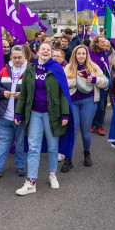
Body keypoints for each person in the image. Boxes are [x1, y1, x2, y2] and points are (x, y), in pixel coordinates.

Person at [14, 43, 70, 195]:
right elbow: (24, 93)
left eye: (48, 49)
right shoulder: (30, 69)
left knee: (53, 147)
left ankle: (52, 174)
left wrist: (65, 114)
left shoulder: (57, 69)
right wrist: (18, 113)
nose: (45, 51)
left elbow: (63, 93)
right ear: (37, 52)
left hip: (53, 114)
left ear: (51, 53)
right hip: (34, 114)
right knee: (33, 148)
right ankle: (31, 182)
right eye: (42, 49)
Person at [0, 45, 28, 178]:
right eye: (14, 57)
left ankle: (20, 166)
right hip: (4, 115)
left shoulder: (30, 70)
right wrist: (3, 92)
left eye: (19, 57)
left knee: (20, 143)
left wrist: (23, 94)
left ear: (25, 56)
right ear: (11, 57)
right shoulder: (4, 70)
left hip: (21, 115)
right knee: (2, 141)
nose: (17, 60)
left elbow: (35, 89)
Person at [64, 45, 108, 169]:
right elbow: (63, 83)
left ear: (87, 55)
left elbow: (105, 81)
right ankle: (68, 158)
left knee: (86, 130)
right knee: (72, 130)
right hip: (72, 102)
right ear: (75, 55)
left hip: (88, 102)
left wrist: (94, 80)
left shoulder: (93, 67)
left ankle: (87, 153)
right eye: (79, 53)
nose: (81, 56)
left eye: (84, 53)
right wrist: (78, 80)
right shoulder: (69, 67)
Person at [89, 36, 110, 136]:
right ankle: (91, 124)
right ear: (96, 43)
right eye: (102, 42)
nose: (104, 44)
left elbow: (107, 70)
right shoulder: (89, 51)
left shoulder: (105, 53)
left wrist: (107, 83)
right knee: (91, 105)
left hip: (101, 83)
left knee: (100, 106)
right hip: (90, 83)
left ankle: (99, 125)